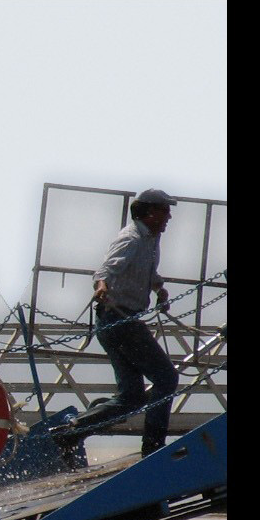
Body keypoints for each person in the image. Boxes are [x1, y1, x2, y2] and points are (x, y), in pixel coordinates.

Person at [53, 188, 182, 458]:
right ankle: (154, 448)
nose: (169, 216)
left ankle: (70, 433)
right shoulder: (131, 238)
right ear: (149, 212)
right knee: (166, 378)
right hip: (119, 320)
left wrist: (158, 288)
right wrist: (101, 286)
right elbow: (106, 270)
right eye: (165, 210)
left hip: (120, 321)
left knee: (132, 397)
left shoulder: (150, 238)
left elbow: (145, 270)